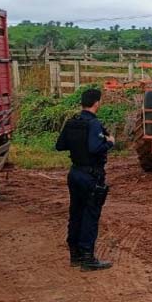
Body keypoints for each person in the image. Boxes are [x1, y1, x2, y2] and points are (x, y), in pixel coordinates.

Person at [55, 88, 114, 271]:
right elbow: (95, 148)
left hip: (74, 173)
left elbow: (60, 145)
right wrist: (109, 142)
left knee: (76, 214)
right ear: (97, 103)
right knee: (90, 215)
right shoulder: (94, 124)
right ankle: (88, 257)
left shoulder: (72, 122)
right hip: (91, 176)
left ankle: (75, 255)